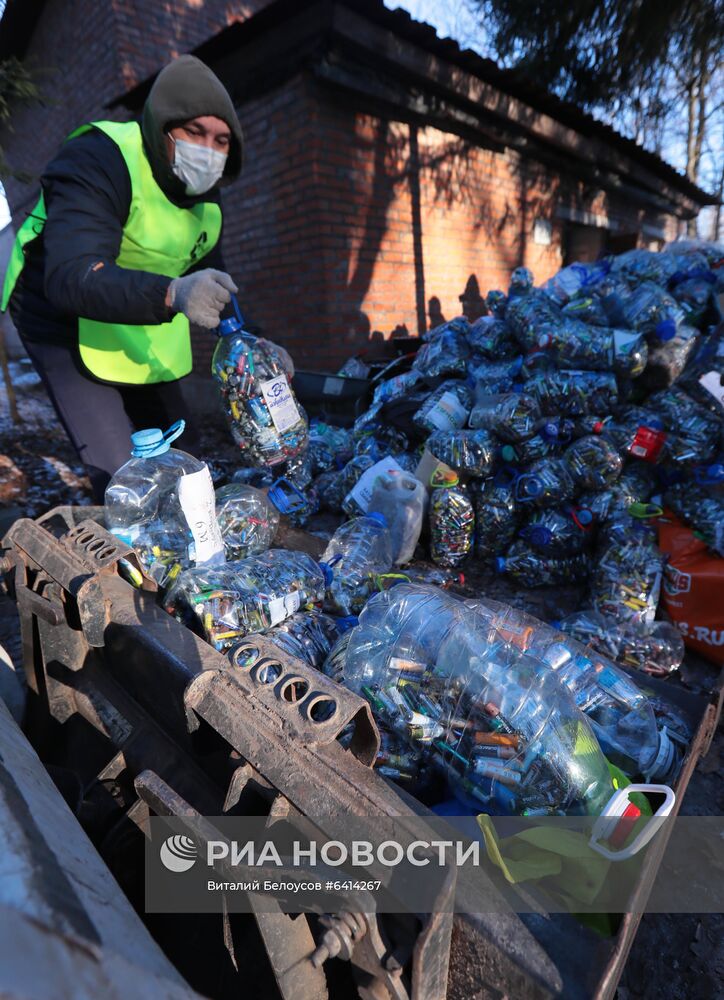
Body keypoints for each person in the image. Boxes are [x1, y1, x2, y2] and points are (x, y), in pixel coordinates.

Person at [1, 55, 244, 501]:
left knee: (184, 456)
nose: (208, 150)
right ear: (162, 126)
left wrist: (252, 343)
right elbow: (72, 276)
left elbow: (210, 274)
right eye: (194, 132)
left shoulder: (207, 201)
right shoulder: (99, 158)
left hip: (136, 309)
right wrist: (173, 293)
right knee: (122, 478)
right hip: (59, 315)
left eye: (221, 140)